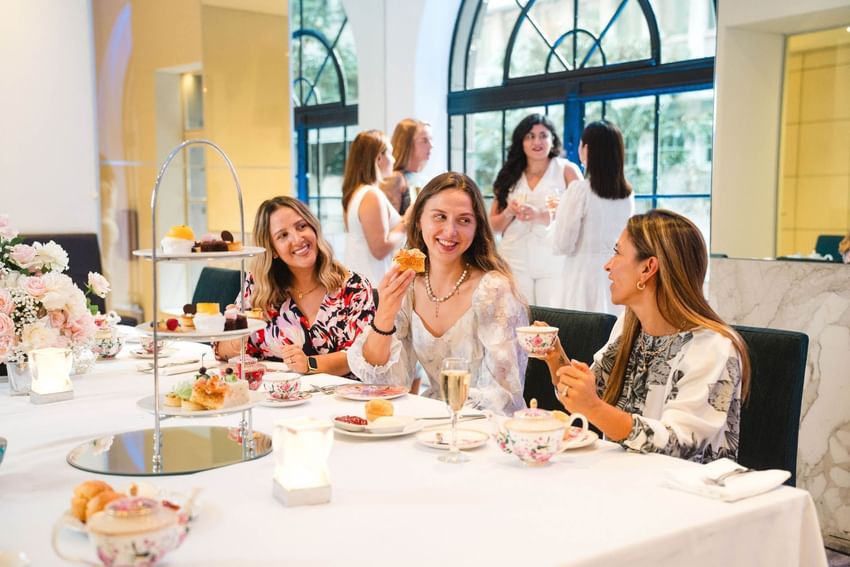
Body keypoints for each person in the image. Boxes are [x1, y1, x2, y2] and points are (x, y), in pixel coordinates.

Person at [540, 210, 750, 463]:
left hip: (688, 493)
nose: (608, 265)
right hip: (627, 479)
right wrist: (555, 357)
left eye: (617, 252)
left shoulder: (712, 347)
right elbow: (589, 396)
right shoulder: (628, 327)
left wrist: (593, 407)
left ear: (648, 268)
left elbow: (678, 444)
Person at [347, 172, 528, 415]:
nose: (450, 231)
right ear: (419, 219)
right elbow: (384, 384)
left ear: (477, 228)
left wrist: (436, 415)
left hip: (483, 426)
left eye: (464, 221)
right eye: (439, 217)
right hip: (429, 421)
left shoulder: (494, 290)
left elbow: (503, 397)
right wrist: (385, 312)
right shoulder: (409, 285)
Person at [214, 196, 375, 377]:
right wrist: (238, 334)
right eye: (283, 235)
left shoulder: (354, 287)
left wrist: (309, 364)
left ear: (313, 228)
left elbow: (363, 355)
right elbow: (222, 351)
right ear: (272, 249)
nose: (298, 239)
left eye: (301, 226)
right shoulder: (257, 287)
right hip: (274, 397)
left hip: (340, 399)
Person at [489, 113, 583, 307]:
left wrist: (542, 215)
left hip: (553, 256)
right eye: (530, 136)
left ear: (552, 139)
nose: (537, 142)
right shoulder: (509, 174)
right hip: (514, 254)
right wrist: (509, 212)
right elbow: (494, 226)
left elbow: (582, 214)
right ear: (521, 142)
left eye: (543, 135)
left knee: (552, 315)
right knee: (516, 314)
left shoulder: (567, 170)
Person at [552, 120, 635, 315]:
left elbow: (563, 244)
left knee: (581, 337)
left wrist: (559, 215)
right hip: (618, 275)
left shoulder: (580, 190)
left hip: (582, 275)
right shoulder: (628, 194)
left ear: (586, 149)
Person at [343, 130, 407, 286]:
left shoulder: (355, 193)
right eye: (390, 154)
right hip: (374, 286)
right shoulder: (371, 195)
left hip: (363, 285)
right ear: (379, 158)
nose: (394, 160)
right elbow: (379, 249)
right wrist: (407, 222)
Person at [381, 118, 433, 215]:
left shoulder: (422, 179)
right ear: (406, 144)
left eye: (430, 140)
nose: (431, 145)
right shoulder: (396, 179)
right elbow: (389, 223)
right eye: (424, 141)